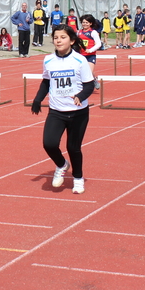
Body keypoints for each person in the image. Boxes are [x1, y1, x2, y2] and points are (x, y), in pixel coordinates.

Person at [31, 24, 95, 194]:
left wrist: (80, 97)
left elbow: (89, 85)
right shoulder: (48, 60)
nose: (58, 40)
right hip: (57, 111)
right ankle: (61, 164)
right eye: (56, 37)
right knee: (49, 144)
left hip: (78, 112)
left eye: (63, 37)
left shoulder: (80, 60)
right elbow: (46, 81)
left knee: (73, 148)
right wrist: (38, 99)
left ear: (72, 40)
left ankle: (78, 178)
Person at [78, 14, 101, 89]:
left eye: (87, 22)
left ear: (90, 23)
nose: (85, 24)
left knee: (89, 72)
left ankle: (93, 80)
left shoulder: (93, 32)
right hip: (81, 56)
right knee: (81, 73)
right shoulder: (79, 32)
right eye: (83, 22)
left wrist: (90, 50)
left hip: (90, 56)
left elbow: (99, 44)